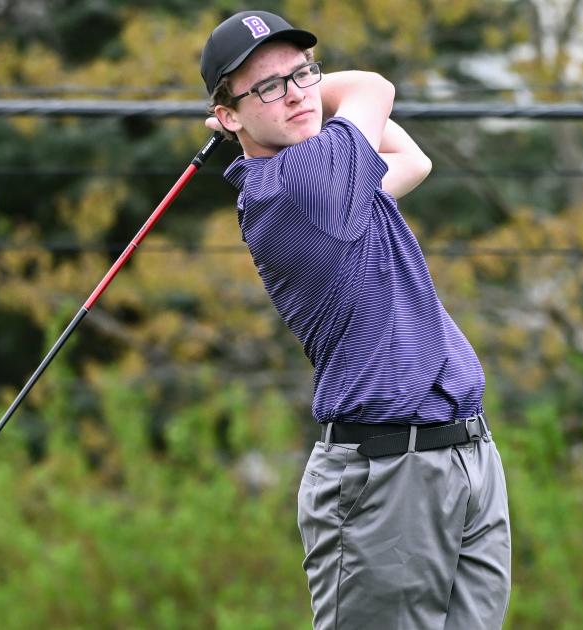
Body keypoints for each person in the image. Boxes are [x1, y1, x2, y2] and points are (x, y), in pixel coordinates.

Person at [200, 10, 511, 630]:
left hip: (465, 457)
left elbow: (413, 159)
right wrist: (305, 97)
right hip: (385, 478)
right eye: (267, 86)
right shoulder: (295, 186)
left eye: (302, 74)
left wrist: (270, 99)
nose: (294, 93)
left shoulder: (334, 179)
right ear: (229, 115)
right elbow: (373, 88)